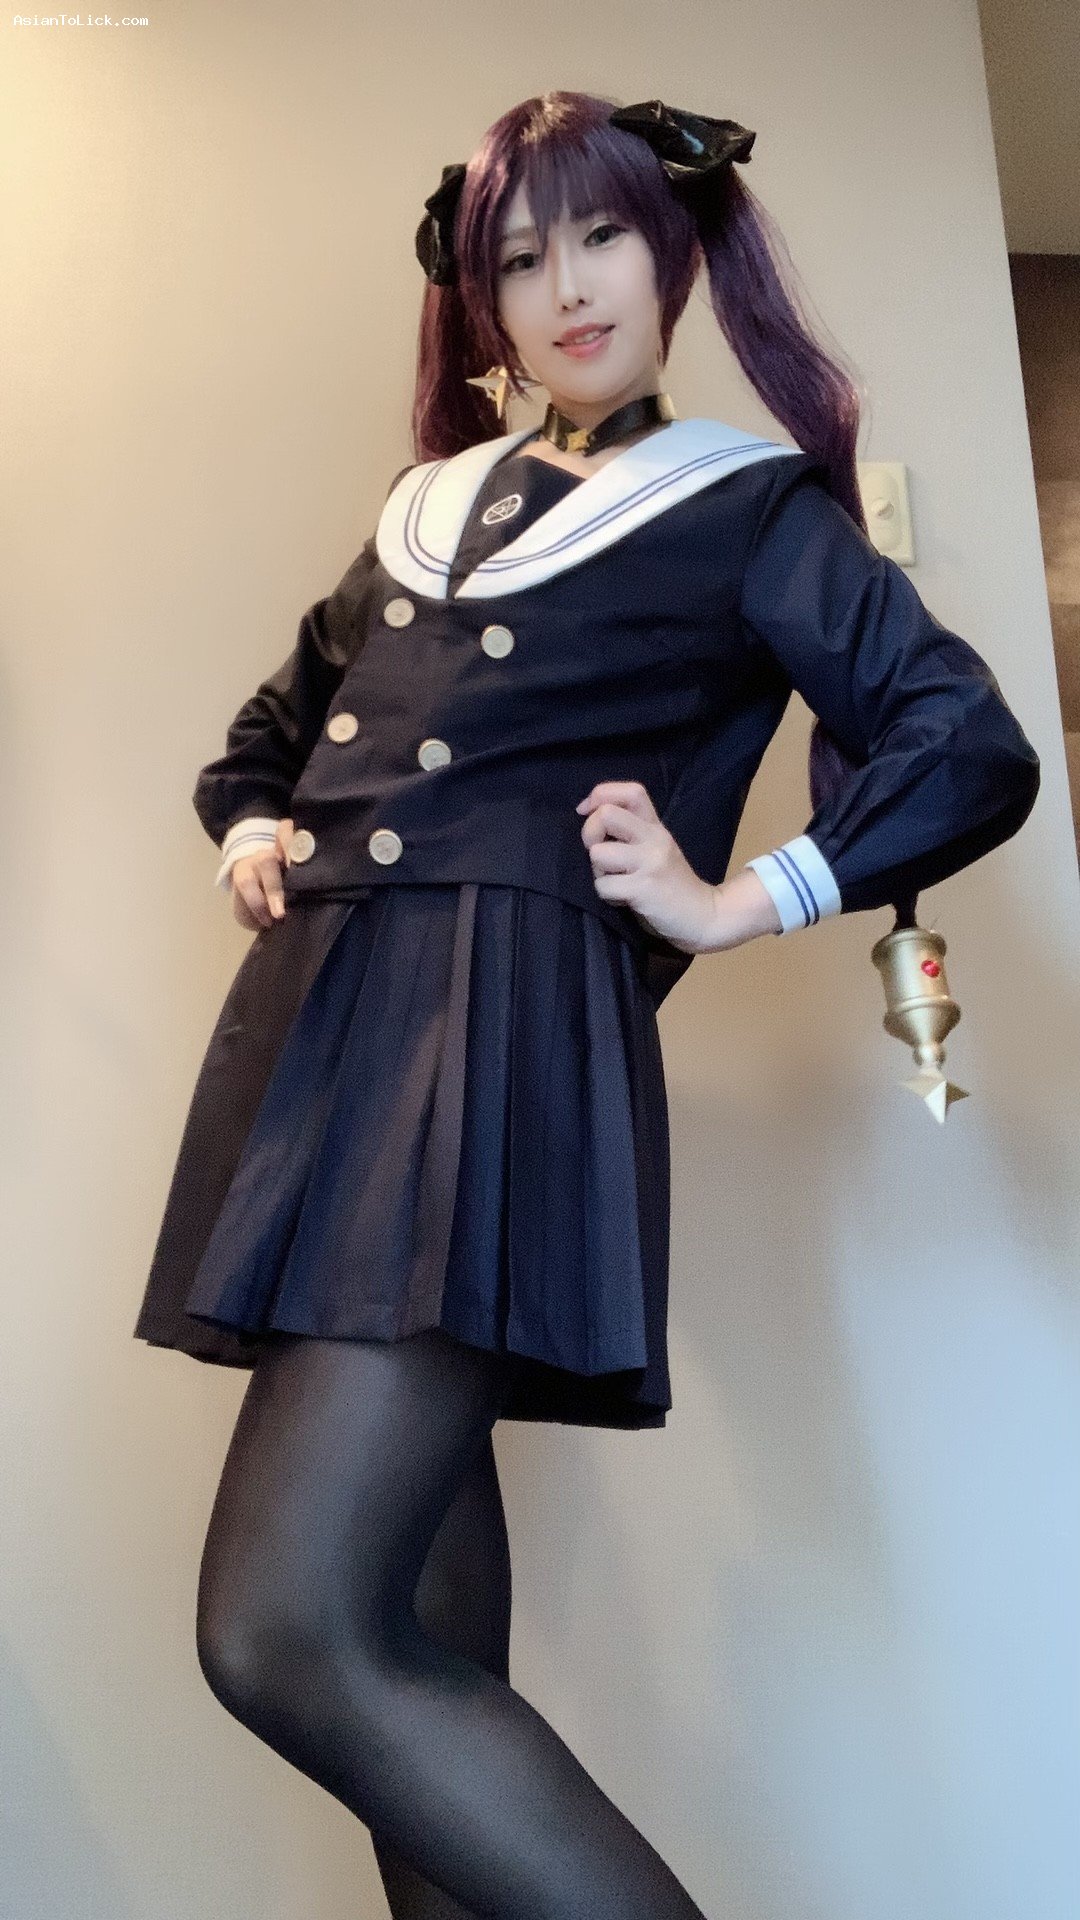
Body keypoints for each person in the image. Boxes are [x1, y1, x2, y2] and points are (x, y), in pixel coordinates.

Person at [133, 91, 1041, 1919]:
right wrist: (254, 829)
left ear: (675, 247)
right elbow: (268, 733)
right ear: (479, 299)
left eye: (602, 234)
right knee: (407, 1635)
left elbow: (965, 739)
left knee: (287, 1631)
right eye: (520, 256)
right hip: (326, 1047)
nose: (566, 287)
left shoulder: (741, 507)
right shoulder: (424, 512)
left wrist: (739, 896)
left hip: (491, 1054)